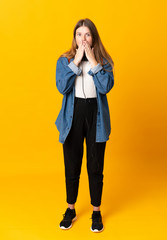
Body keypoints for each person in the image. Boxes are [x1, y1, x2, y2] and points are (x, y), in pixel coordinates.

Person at [55, 18, 114, 233]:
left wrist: (93, 61)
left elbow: (106, 86)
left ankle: (96, 211)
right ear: (74, 38)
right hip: (72, 117)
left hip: (96, 118)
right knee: (72, 164)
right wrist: (77, 61)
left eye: (87, 34)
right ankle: (70, 209)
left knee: (95, 166)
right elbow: (62, 87)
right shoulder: (64, 61)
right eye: (79, 34)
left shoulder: (104, 62)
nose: (83, 39)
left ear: (94, 37)